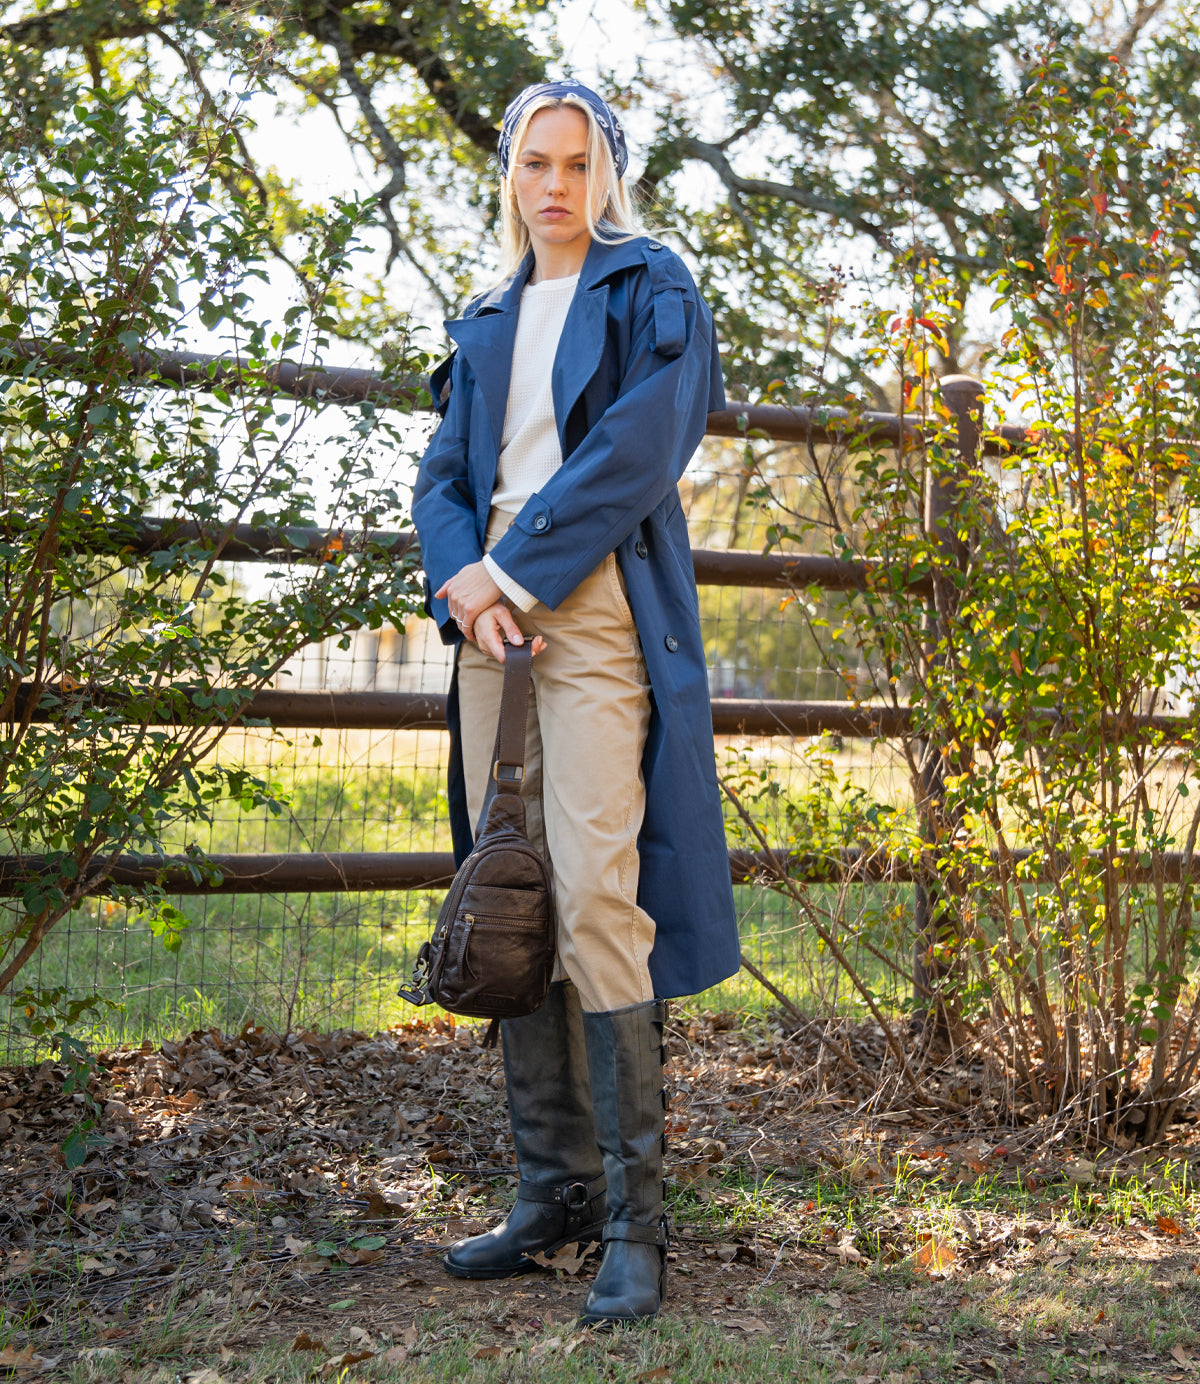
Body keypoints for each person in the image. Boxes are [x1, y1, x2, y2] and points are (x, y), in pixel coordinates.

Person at [411, 79, 741, 1325]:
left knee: (597, 888)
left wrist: (512, 567)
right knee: (513, 883)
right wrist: (463, 581)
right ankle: (549, 1191)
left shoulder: (653, 285)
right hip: (486, 622)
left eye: (579, 163)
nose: (557, 185)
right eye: (537, 163)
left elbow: (641, 448)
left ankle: (634, 1224)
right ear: (510, 173)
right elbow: (444, 474)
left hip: (590, 607)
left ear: (610, 174)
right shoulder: (487, 314)